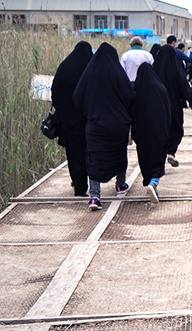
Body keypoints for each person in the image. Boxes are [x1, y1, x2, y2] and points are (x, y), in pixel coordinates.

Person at [73, 42, 135, 210]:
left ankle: (95, 197)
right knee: (119, 154)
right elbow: (130, 97)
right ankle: (120, 184)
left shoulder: (90, 74)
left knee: (94, 157)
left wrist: (90, 112)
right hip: (118, 126)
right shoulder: (118, 74)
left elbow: (77, 97)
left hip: (95, 125)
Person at [154, 38, 192, 168]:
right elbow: (187, 91)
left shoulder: (154, 71)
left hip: (158, 108)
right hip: (175, 107)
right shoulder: (177, 71)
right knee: (176, 131)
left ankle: (160, 158)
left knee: (160, 133)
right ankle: (171, 153)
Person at [50, 40, 93, 197]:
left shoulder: (64, 67)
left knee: (74, 154)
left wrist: (64, 111)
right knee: (89, 151)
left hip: (68, 121)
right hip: (87, 119)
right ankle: (90, 184)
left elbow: (55, 91)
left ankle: (78, 184)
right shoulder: (90, 66)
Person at [130, 63, 170, 203]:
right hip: (159, 131)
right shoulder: (161, 88)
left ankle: (149, 181)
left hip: (141, 132)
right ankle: (153, 183)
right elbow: (167, 112)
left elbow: (131, 113)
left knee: (145, 158)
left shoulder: (135, 90)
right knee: (158, 158)